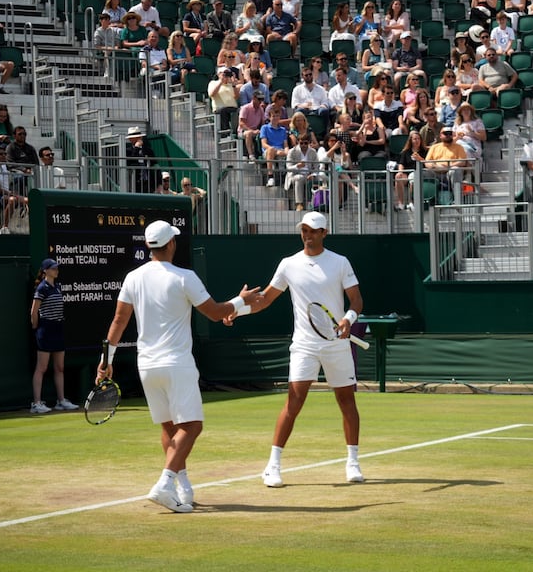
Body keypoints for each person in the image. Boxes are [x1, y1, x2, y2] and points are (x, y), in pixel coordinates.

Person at [98, 219, 262, 512]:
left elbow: (118, 322)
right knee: (192, 425)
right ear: (171, 244)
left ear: (150, 246)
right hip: (176, 364)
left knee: (170, 426)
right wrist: (241, 300)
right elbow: (215, 313)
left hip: (147, 366)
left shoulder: (133, 277)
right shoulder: (185, 276)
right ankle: (164, 483)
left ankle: (182, 486)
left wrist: (105, 361)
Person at [235, 211, 364, 488]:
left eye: (313, 230)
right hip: (304, 345)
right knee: (294, 402)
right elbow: (265, 299)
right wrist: (237, 310)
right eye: (304, 230)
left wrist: (347, 320)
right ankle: (273, 466)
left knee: (346, 402)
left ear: (324, 233)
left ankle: (352, 462)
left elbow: (356, 300)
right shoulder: (288, 264)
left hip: (336, 345)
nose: (308, 235)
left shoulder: (340, 262)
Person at [30, 258, 79, 414]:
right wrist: (36, 327)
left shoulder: (57, 287)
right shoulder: (41, 288)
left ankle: (61, 401)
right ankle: (36, 403)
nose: (56, 271)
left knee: (59, 367)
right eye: (53, 268)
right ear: (46, 270)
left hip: (58, 328)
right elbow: (33, 312)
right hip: (45, 329)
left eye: (57, 268)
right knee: (42, 368)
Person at [425, 126, 471, 204]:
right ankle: (425, 201)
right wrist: (436, 167)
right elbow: (427, 162)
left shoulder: (459, 147)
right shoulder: (434, 147)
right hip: (436, 171)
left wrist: (448, 167)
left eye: (450, 133)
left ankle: (458, 200)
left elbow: (462, 162)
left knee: (455, 170)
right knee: (421, 173)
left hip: (450, 172)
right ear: (440, 135)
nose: (448, 135)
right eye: (445, 133)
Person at [284, 132, 319, 211]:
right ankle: (299, 204)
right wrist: (297, 166)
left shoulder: (313, 152)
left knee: (322, 178)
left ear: (309, 143)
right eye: (301, 143)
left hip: (308, 175)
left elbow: (317, 167)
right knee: (299, 178)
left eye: (305, 143)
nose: (303, 145)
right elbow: (288, 168)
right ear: (298, 142)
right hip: (295, 175)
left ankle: (316, 204)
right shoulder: (292, 151)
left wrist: (313, 174)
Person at [395, 130, 427, 210]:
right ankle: (400, 203)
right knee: (398, 177)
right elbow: (401, 163)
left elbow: (427, 163)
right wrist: (400, 172)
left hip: (421, 173)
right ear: (411, 141)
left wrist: (419, 158)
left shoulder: (425, 151)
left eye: (418, 139)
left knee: (414, 177)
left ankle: (412, 202)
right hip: (407, 172)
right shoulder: (406, 152)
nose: (417, 141)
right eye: (414, 139)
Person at [125, 125, 158, 193]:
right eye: (134, 138)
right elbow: (131, 161)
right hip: (134, 181)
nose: (138, 139)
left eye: (138, 137)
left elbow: (154, 164)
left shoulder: (147, 150)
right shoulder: (128, 151)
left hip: (147, 181)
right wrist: (136, 148)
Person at [260, 108, 290, 183]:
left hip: (281, 150)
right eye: (273, 116)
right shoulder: (264, 128)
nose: (275, 118)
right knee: (271, 150)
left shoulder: (283, 130)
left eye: (277, 116)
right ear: (270, 117)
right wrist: (275, 151)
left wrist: (287, 151)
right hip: (268, 151)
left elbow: (285, 145)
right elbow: (264, 144)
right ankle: (270, 177)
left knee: (290, 152)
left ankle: (285, 175)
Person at [6, 126, 37, 197]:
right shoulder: (10, 147)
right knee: (20, 176)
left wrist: (31, 170)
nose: (22, 136)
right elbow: (10, 163)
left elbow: (36, 163)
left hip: (30, 171)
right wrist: (24, 169)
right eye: (20, 134)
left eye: (24, 134)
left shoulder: (30, 148)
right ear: (14, 136)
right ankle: (21, 199)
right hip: (15, 171)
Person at [208, 66, 239, 136]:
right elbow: (212, 94)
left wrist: (234, 85)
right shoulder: (213, 83)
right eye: (224, 74)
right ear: (219, 74)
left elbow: (236, 97)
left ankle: (235, 133)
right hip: (220, 109)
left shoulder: (231, 85)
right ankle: (226, 133)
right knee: (224, 112)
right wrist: (221, 82)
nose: (226, 76)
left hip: (232, 109)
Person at [238, 88, 266, 163]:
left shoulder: (261, 109)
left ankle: (262, 153)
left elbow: (263, 122)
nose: (260, 101)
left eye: (262, 99)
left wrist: (261, 130)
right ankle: (251, 155)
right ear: (253, 98)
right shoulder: (245, 108)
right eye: (259, 99)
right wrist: (251, 130)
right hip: (244, 130)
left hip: (255, 130)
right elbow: (242, 123)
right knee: (249, 134)